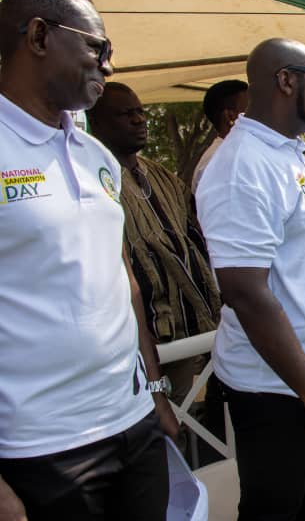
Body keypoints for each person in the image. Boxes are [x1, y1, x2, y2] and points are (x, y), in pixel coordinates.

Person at [0, 0, 172, 520]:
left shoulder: (96, 156)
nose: (109, 66)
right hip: (39, 450)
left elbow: (125, 282)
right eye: (98, 47)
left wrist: (156, 390)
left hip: (133, 424)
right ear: (39, 36)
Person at [196, 38, 305, 520]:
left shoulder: (289, 153)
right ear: (286, 80)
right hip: (281, 390)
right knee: (276, 511)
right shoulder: (242, 165)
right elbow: (245, 293)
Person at [87, 82, 222, 406]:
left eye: (140, 112)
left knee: (180, 411)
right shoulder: (89, 179)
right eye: (125, 114)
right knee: (146, 413)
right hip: (131, 337)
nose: (139, 120)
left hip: (185, 327)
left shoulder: (162, 177)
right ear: (96, 122)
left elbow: (196, 236)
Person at [191, 79, 248, 192]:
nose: (260, 115)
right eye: (252, 109)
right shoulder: (220, 162)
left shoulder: (234, 154)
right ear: (231, 116)